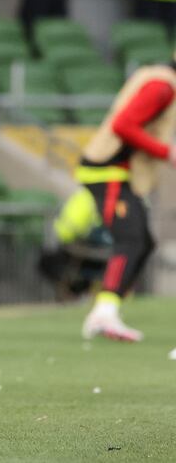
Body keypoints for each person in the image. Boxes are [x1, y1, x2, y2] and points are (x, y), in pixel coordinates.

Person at [75, 57, 176, 342]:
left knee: (143, 242)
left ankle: (107, 311)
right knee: (131, 240)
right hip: (108, 171)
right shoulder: (162, 87)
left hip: (120, 174)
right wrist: (167, 152)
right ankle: (103, 314)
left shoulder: (161, 78)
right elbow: (124, 125)